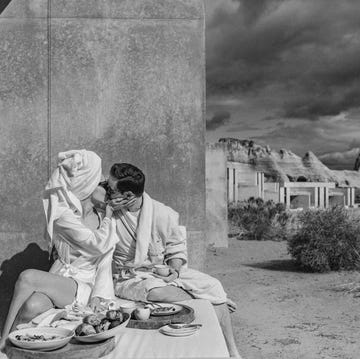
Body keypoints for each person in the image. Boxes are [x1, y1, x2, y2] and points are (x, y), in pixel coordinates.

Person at [91, 163, 240, 358]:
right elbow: (94, 193)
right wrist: (107, 205)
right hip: (128, 277)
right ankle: (210, 304)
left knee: (214, 285)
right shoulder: (110, 210)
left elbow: (176, 248)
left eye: (111, 189)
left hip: (161, 271)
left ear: (128, 196)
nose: (107, 190)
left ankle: (232, 351)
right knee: (158, 291)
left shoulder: (163, 214)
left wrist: (174, 270)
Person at [0, 150, 118, 349]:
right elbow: (93, 243)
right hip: (62, 278)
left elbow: (105, 260)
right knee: (32, 306)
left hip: (85, 286)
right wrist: (109, 216)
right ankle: (14, 347)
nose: (108, 191)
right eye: (103, 184)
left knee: (28, 277)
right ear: (88, 185)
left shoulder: (104, 219)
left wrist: (100, 295)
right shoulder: (64, 215)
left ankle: (3, 343)